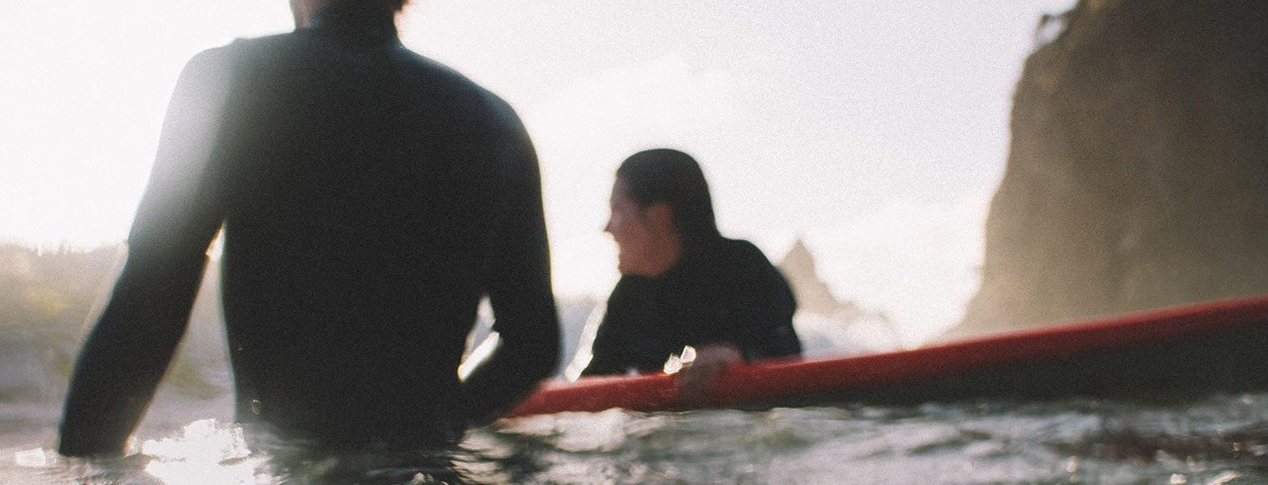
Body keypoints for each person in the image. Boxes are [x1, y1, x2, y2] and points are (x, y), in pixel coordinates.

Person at [58, 0, 560, 457]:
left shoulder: (234, 77)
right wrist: (441, 424)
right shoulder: (495, 120)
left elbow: (154, 287)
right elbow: (533, 344)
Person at [580, 149, 800, 391]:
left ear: (659, 216)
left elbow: (784, 351)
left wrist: (736, 355)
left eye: (618, 211)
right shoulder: (630, 296)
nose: (608, 228)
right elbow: (591, 387)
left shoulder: (742, 267)